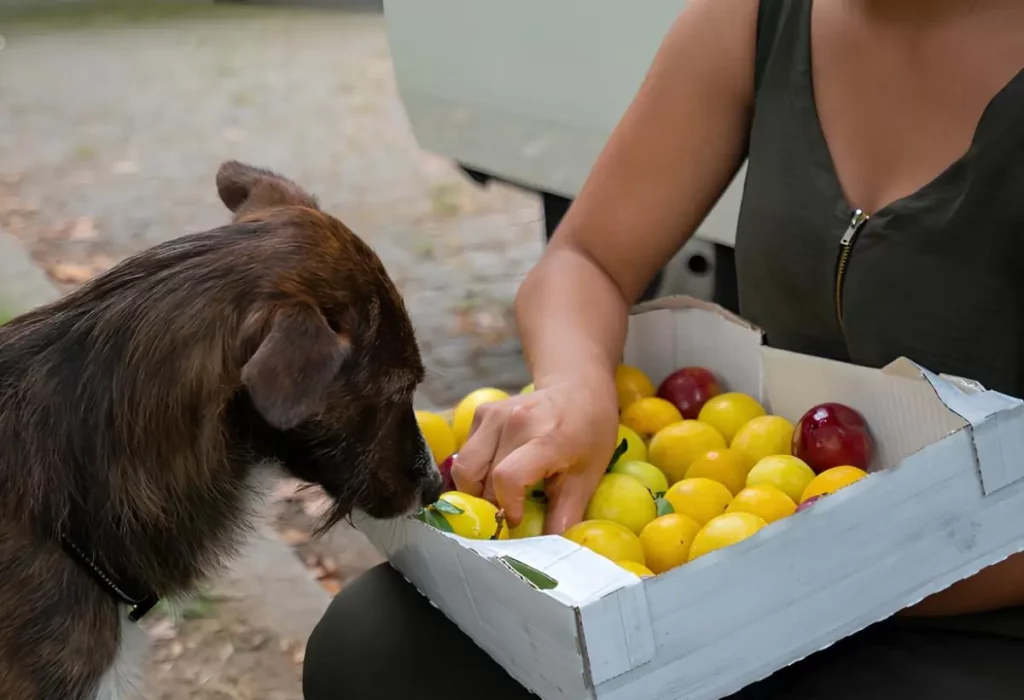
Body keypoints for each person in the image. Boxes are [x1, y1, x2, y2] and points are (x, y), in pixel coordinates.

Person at [303, 0, 1024, 697]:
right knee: (375, 647)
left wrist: (828, 583)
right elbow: (586, 258)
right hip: (735, 568)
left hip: (978, 603)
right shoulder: (755, 18)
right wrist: (575, 385)